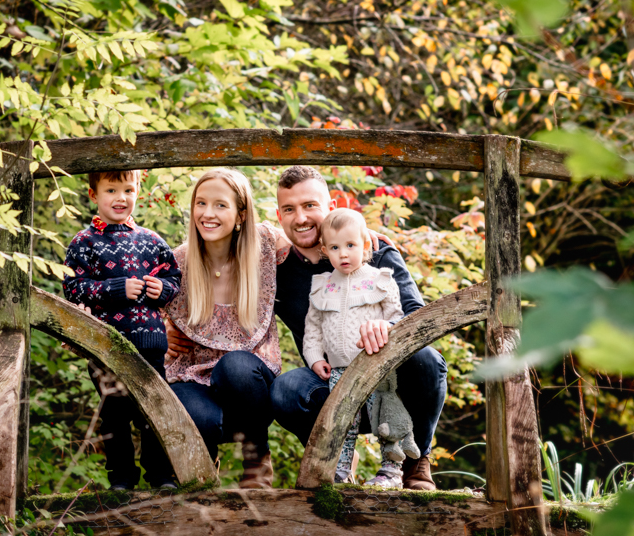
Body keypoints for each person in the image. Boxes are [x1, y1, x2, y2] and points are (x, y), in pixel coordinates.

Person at [269, 166, 447, 490]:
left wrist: (388, 326)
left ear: (331, 207)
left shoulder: (374, 250)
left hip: (387, 382)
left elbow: (417, 315)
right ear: (278, 216)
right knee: (285, 389)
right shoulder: (279, 270)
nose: (300, 218)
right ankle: (334, 459)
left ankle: (414, 463)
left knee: (428, 360)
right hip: (330, 382)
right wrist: (172, 322)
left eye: (310, 205)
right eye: (289, 209)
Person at [164, 168, 291, 489]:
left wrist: (360, 233)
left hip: (249, 389)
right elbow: (137, 309)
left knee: (234, 366)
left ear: (240, 214)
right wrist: (161, 329)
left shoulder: (264, 245)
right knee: (197, 419)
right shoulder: (176, 264)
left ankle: (256, 459)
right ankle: (202, 482)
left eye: (220, 205)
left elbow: (314, 241)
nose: (208, 213)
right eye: (201, 203)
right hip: (193, 377)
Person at [62, 169, 182, 490]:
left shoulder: (151, 240)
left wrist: (163, 289)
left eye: (128, 190)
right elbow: (73, 287)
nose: (121, 198)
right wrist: (115, 288)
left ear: (138, 192)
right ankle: (122, 480)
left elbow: (174, 278)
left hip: (152, 343)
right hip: (106, 346)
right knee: (115, 414)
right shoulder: (84, 242)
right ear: (94, 195)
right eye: (111, 190)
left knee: (154, 412)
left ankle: (160, 476)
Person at [302, 208, 406, 486]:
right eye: (335, 247)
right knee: (341, 422)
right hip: (338, 370)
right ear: (325, 250)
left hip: (375, 365)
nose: (343, 254)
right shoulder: (322, 286)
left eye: (350, 245)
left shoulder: (379, 279)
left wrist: (388, 328)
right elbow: (311, 329)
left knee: (384, 415)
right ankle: (340, 470)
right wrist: (314, 359)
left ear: (366, 245)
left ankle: (391, 470)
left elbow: (396, 316)